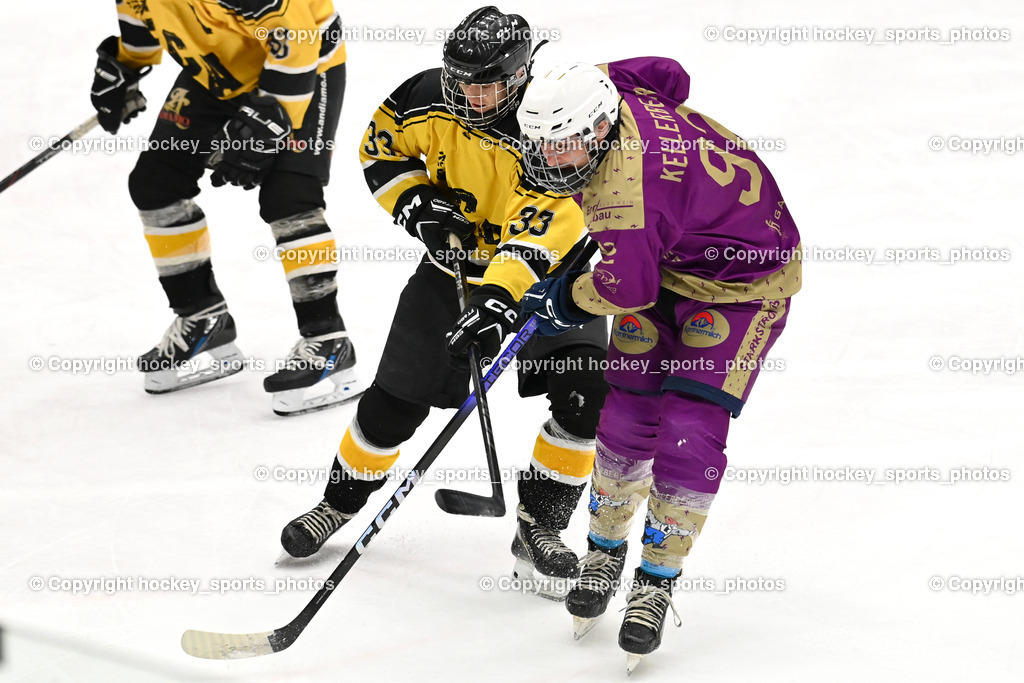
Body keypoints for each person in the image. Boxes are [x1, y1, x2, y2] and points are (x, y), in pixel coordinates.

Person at [279, 7, 609, 600]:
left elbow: (549, 224)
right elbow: (380, 151)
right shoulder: (424, 98)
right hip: (450, 272)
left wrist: (499, 300)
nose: (472, 98)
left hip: (556, 279)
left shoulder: (547, 118)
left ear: (519, 73)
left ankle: (541, 527)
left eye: (487, 86)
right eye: (463, 83)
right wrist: (417, 207)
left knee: (586, 396)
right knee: (394, 404)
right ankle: (338, 502)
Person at [515, 60, 801, 670]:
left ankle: (655, 579)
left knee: (688, 433)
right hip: (674, 254)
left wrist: (563, 298)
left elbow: (627, 286)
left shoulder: (623, 192)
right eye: (542, 142)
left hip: (744, 282)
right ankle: (604, 548)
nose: (549, 158)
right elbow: (670, 75)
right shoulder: (607, 86)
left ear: (598, 130)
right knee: (624, 416)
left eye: (563, 146)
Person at [90, 0, 362, 415]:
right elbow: (142, 18)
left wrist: (271, 121)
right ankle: (203, 318)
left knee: (288, 197)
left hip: (304, 69)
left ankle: (327, 339)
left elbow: (299, 41)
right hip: (221, 71)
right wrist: (124, 67)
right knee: (155, 183)